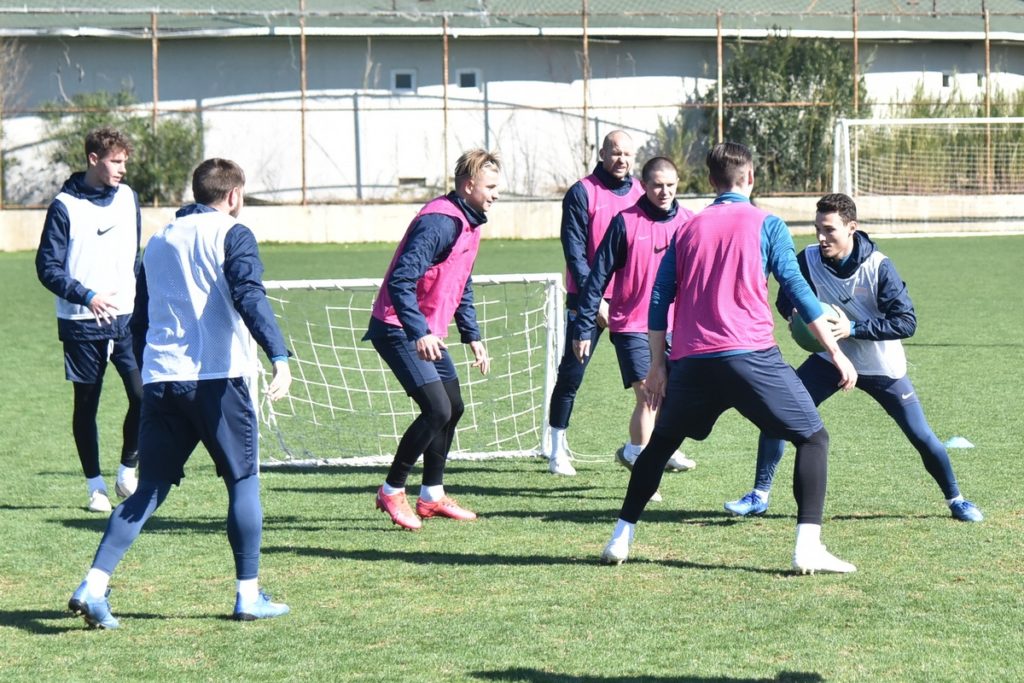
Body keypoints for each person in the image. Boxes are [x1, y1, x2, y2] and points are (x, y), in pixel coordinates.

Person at [600, 142, 859, 575]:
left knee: (659, 446)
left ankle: (619, 538)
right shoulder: (767, 224)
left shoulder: (687, 228)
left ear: (710, 181)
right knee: (813, 438)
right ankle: (807, 547)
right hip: (750, 357)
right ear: (750, 177)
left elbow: (659, 298)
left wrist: (658, 365)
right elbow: (797, 289)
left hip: (692, 362)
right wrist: (836, 351)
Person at [68, 158, 294, 629]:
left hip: (161, 381)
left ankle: (94, 585)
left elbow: (140, 318)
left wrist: (150, 370)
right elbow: (249, 296)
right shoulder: (233, 233)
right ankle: (247, 595)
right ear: (234, 195)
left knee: (149, 488)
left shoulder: (159, 240)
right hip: (219, 379)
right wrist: (279, 354)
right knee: (243, 481)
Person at [724, 193, 983, 523]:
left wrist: (853, 328)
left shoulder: (879, 267)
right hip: (829, 360)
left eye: (829, 230)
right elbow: (785, 295)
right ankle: (759, 495)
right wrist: (793, 314)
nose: (821, 237)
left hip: (880, 365)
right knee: (778, 414)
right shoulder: (809, 259)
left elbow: (906, 322)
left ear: (851, 228)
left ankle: (956, 499)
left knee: (920, 434)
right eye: (818, 229)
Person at [365, 149, 500, 531]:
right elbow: (401, 280)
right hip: (397, 327)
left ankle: (432, 496)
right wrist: (419, 331)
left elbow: (461, 281)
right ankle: (392, 490)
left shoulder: (470, 222)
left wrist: (471, 334)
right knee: (437, 409)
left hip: (424, 330)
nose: (495, 194)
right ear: (468, 185)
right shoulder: (440, 222)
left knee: (452, 406)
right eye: (490, 187)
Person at [547, 130, 693, 476]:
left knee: (658, 383)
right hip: (589, 299)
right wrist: (594, 302)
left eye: (627, 154)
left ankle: (658, 448)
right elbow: (576, 252)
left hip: (634, 303)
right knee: (572, 373)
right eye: (615, 153)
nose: (621, 160)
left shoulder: (647, 192)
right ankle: (555, 449)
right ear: (602, 153)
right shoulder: (582, 192)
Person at [36, 127, 144, 513]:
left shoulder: (129, 197)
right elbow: (47, 267)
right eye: (116, 161)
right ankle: (95, 487)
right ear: (93, 159)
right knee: (87, 404)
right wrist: (87, 296)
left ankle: (127, 469)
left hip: (126, 318)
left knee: (144, 396)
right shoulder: (64, 206)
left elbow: (133, 255)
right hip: (82, 321)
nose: (123, 169)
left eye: (125, 161)